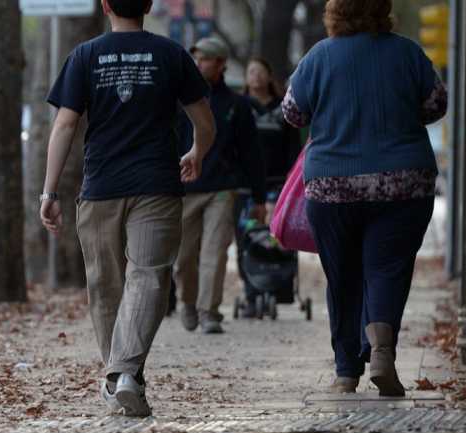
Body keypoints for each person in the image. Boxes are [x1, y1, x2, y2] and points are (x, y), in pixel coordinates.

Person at [40, 0, 215, 417]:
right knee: (148, 277)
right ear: (149, 5)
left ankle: (120, 374)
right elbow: (205, 122)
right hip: (157, 185)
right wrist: (197, 152)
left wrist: (48, 192)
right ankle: (124, 375)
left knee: (106, 284)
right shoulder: (171, 54)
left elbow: (65, 124)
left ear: (105, 5)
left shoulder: (84, 56)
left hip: (100, 187)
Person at [282, 0, 447, 395]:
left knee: (342, 276)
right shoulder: (407, 52)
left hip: (332, 185)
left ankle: (346, 371)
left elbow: (293, 112)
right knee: (387, 268)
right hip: (402, 183)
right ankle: (382, 350)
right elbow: (436, 105)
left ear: (334, 13)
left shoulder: (318, 57)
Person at [174, 37, 266, 334]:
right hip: (184, 189)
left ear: (221, 63)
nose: (199, 64)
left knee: (214, 252)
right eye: (196, 59)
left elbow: (251, 153)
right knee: (183, 258)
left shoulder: (237, 105)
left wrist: (259, 197)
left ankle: (209, 311)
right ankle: (188, 302)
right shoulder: (179, 102)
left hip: (222, 189)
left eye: (205, 59)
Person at [237, 57, 302, 318]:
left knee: (277, 236)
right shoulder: (240, 106)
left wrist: (291, 179)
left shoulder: (283, 108)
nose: (255, 76)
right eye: (251, 71)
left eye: (260, 71)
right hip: (245, 186)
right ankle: (251, 293)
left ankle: (280, 286)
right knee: (247, 237)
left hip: (278, 184)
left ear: (269, 76)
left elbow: (293, 147)